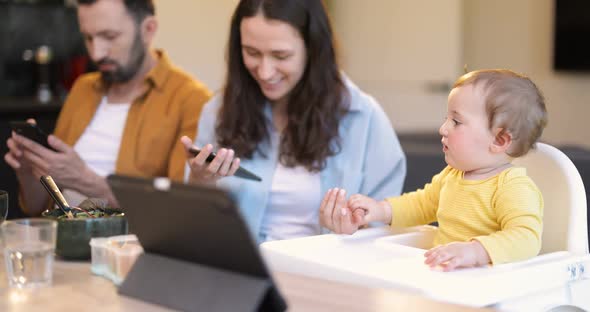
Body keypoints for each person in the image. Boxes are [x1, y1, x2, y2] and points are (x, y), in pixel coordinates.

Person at [181, 0, 406, 243]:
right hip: (237, 273)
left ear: (313, 49)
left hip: (320, 275)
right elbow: (194, 227)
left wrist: (350, 231)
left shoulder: (363, 118)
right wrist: (200, 181)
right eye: (252, 53)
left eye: (281, 56)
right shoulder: (218, 111)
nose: (265, 72)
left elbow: (383, 232)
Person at [322, 69, 547, 271]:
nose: (443, 128)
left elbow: (526, 237)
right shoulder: (452, 176)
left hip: (486, 286)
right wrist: (380, 209)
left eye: (456, 122)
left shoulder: (512, 186)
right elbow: (420, 204)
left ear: (499, 140)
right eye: (446, 118)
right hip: (446, 277)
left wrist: (476, 251)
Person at [4, 0, 211, 216]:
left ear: (148, 30)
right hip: (62, 239)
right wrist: (28, 172)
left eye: (109, 37)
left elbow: (180, 211)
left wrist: (85, 180)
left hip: (125, 246)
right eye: (88, 37)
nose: (96, 53)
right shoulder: (83, 89)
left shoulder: (190, 99)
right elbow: (38, 209)